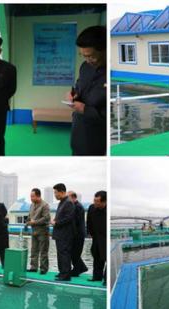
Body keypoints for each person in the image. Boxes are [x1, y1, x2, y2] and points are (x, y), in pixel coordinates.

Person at [66, 26, 106, 156]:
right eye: (84, 56)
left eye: (91, 56)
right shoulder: (85, 67)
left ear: (104, 50)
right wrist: (74, 94)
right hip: (79, 132)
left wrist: (85, 110)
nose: (88, 60)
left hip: (98, 138)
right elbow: (79, 87)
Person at [51, 183, 75, 281]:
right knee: (60, 254)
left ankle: (66, 275)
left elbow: (68, 218)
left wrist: (56, 223)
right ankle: (62, 272)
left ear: (62, 192)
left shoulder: (68, 202)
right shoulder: (62, 202)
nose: (55, 195)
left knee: (64, 254)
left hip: (65, 234)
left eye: (56, 193)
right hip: (60, 234)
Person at [26, 188, 50, 274]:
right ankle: (33, 267)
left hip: (43, 231)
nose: (31, 198)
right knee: (34, 250)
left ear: (38, 196)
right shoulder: (32, 205)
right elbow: (29, 216)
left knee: (43, 251)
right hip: (34, 231)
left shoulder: (45, 205)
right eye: (30, 196)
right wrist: (27, 222)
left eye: (33, 196)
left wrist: (34, 222)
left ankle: (43, 269)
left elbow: (46, 218)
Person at [87, 190, 107, 284]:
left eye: (97, 201)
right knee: (96, 257)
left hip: (105, 238)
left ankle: (106, 279)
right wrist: (90, 233)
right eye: (94, 200)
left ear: (104, 202)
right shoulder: (91, 208)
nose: (95, 202)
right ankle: (96, 276)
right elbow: (89, 222)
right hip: (96, 237)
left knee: (106, 257)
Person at [68, 191, 88, 277]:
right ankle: (80, 268)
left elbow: (76, 222)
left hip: (78, 234)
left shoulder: (78, 207)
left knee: (75, 253)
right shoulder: (75, 206)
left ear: (73, 197)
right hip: (76, 233)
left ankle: (78, 269)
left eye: (68, 198)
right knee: (74, 253)